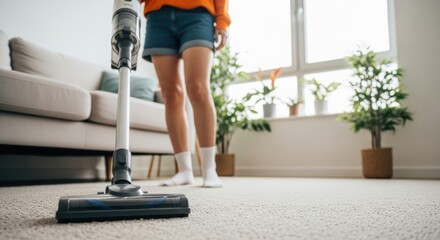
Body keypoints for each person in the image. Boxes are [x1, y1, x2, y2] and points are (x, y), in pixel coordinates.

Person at [140, 0, 231, 187]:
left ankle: (209, 169)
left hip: (198, 14)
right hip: (158, 16)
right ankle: (184, 171)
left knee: (198, 88)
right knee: (171, 94)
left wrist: (222, 20)